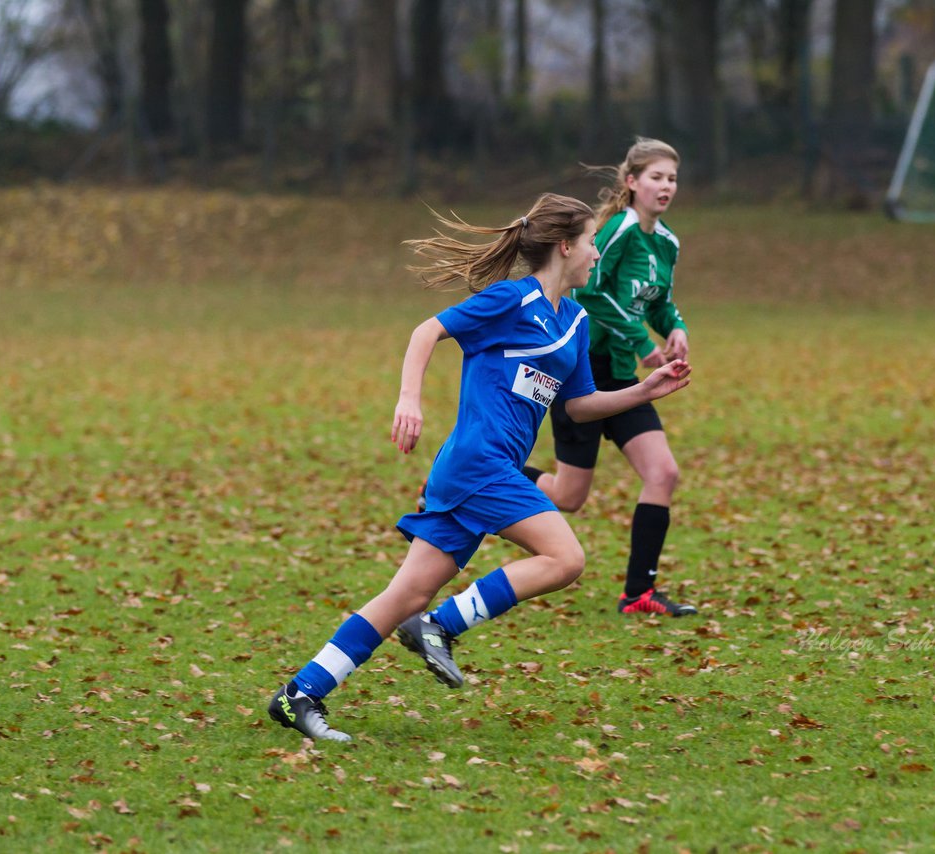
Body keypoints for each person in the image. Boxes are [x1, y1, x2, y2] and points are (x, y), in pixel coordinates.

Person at [268, 193, 692, 742]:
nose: (595, 254)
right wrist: (409, 400)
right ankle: (440, 627)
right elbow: (427, 332)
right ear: (565, 247)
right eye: (590, 242)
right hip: (479, 465)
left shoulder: (576, 320)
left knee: (405, 595)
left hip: (480, 472)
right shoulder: (511, 302)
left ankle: (300, 693)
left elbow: (577, 405)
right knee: (565, 558)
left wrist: (643, 390)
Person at [522, 138, 697, 618]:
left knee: (663, 473)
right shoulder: (616, 231)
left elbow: (657, 301)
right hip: (586, 371)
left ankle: (638, 593)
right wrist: (645, 344)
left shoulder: (667, 241)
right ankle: (461, 480)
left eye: (672, 178)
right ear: (632, 182)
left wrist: (675, 328)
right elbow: (593, 294)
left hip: (626, 380)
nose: (666, 186)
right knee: (568, 497)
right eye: (657, 177)